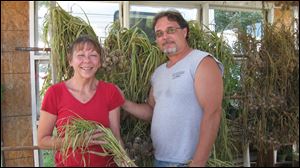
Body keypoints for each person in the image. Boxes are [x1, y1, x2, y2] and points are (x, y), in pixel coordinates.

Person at [121, 10, 224, 167]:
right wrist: (123, 102)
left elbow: (213, 112)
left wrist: (198, 162)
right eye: (159, 33)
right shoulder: (159, 73)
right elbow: (151, 111)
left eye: (170, 30)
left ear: (185, 31)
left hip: (187, 162)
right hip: (160, 159)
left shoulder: (201, 62)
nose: (165, 37)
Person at [38, 35, 124, 167]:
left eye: (93, 55)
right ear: (70, 61)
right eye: (81, 55)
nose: (87, 61)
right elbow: (43, 141)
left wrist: (124, 159)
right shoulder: (55, 93)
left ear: (100, 62)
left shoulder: (110, 91)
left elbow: (116, 137)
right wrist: (78, 141)